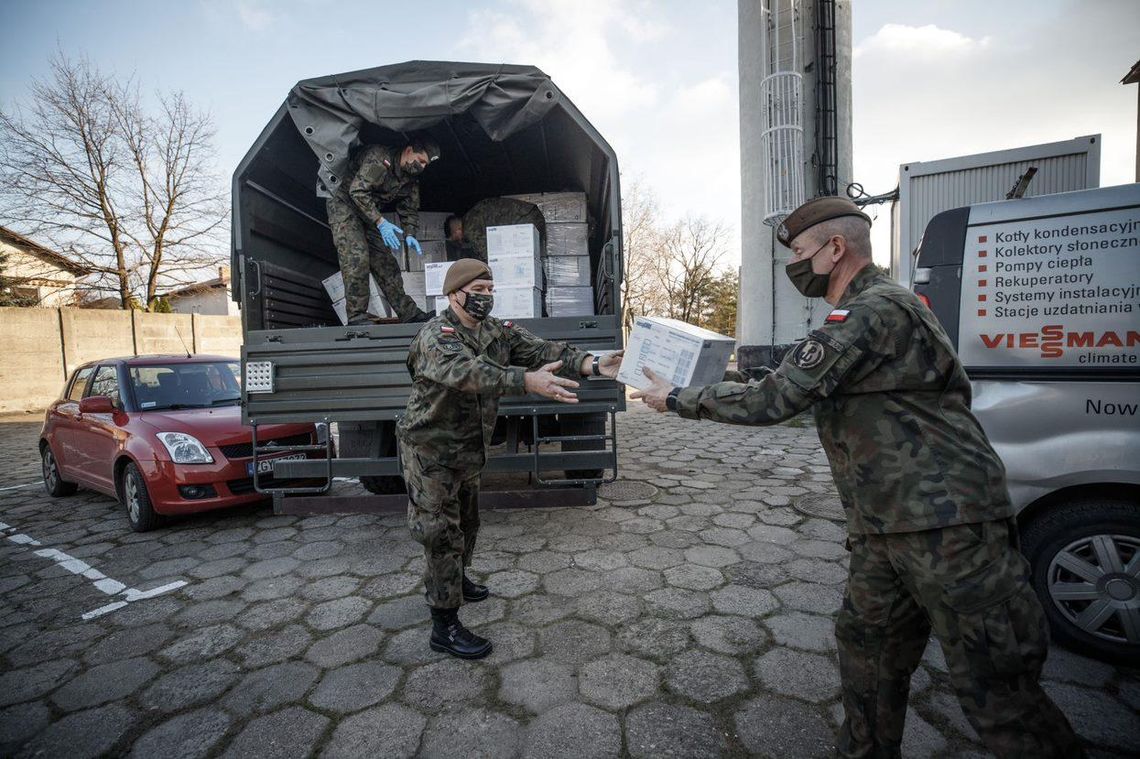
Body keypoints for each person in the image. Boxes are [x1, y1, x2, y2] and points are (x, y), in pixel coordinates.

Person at [631, 197, 1084, 758]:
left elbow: (777, 398)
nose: (794, 266)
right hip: (883, 526)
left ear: (835, 248)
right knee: (867, 653)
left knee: (998, 690)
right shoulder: (864, 313)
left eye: (799, 252)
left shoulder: (876, 309)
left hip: (948, 528)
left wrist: (678, 397)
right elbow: (796, 380)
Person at [397, 258, 622, 659]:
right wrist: (526, 380)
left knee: (467, 522)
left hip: (468, 448)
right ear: (454, 295)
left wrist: (593, 364)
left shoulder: (496, 330)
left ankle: (458, 578)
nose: (485, 297)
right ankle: (443, 625)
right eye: (477, 290)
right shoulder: (436, 335)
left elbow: (540, 349)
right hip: (429, 450)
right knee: (439, 533)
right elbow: (468, 373)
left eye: (489, 290)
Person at [326, 136, 440, 325]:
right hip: (344, 205)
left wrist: (410, 233)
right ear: (409, 150)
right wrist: (380, 222)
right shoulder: (380, 157)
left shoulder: (410, 178)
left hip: (369, 213)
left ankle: (410, 314)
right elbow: (357, 191)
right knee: (357, 258)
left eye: (426, 164)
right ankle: (356, 317)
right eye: (421, 161)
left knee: (386, 263)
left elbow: (409, 209)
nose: (422, 167)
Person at [444, 197, 547, 262]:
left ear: (457, 230)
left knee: (522, 263)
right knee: (528, 262)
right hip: (530, 215)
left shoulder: (470, 228)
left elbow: (488, 254)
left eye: (455, 238)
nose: (459, 241)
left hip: (525, 221)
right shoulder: (473, 214)